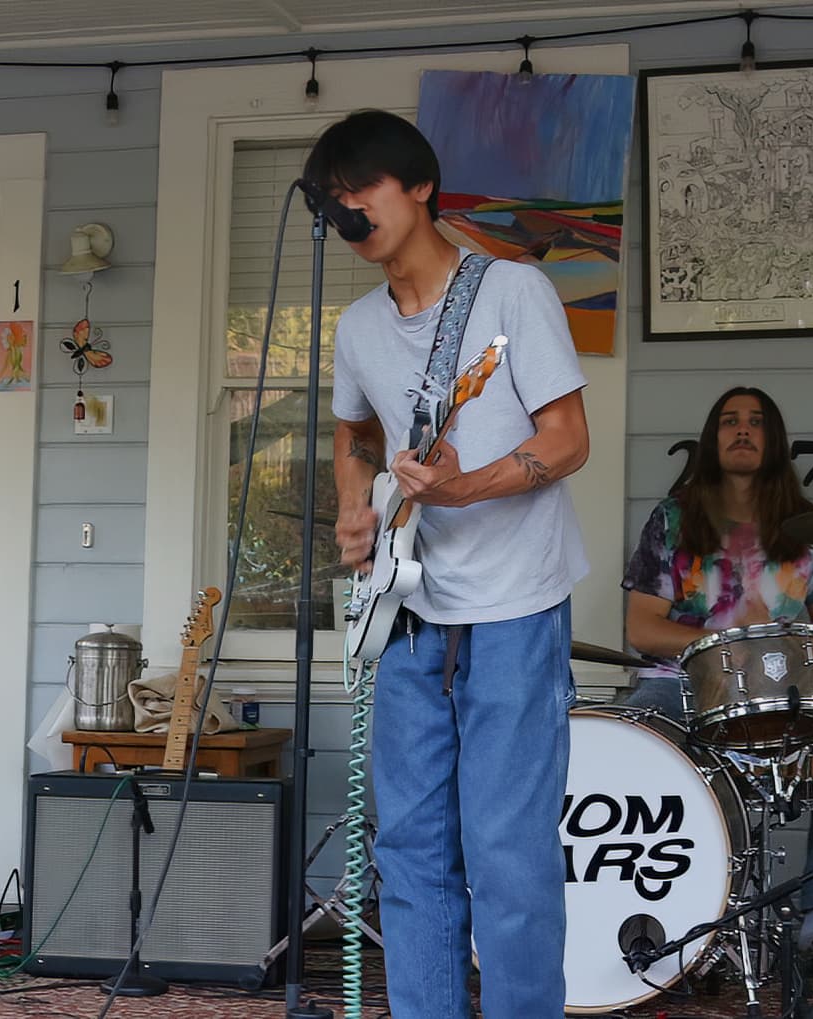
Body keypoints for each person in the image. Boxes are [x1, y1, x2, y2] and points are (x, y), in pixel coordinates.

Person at [311, 109, 590, 1018]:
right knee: (410, 847)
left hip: (515, 601)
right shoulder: (357, 326)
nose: (349, 210)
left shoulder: (512, 292)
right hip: (409, 606)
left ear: (421, 186)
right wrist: (353, 505)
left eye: (363, 188)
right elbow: (355, 434)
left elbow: (568, 437)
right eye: (335, 197)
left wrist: (469, 487)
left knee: (507, 849)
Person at [623, 385, 813, 962]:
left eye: (756, 421)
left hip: (781, 691)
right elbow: (642, 629)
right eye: (729, 420)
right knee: (639, 726)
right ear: (712, 438)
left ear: (774, 440)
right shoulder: (672, 518)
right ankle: (658, 904)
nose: (742, 429)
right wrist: (722, 645)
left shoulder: (811, 528)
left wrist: (777, 651)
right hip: (682, 686)